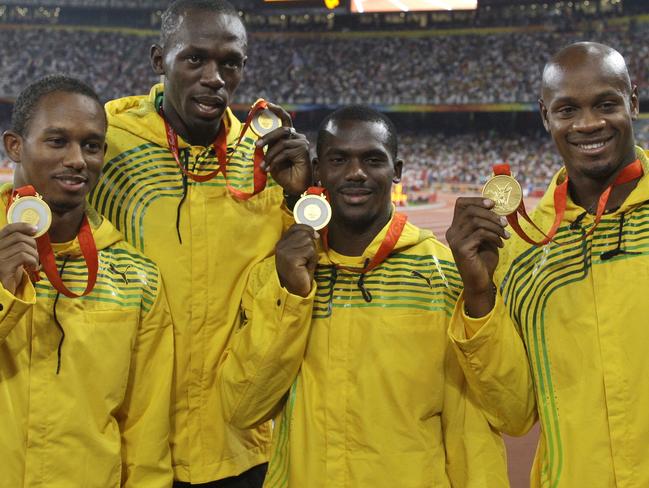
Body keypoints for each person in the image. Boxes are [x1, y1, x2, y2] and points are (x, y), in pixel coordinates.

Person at [218, 106, 515, 487]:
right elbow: (242, 408)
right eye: (339, 159)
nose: (356, 172)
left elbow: (506, 415)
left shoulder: (446, 275)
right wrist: (291, 296)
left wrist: (479, 294)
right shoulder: (278, 276)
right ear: (318, 169)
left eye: (373, 159)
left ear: (397, 171)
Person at [89, 0, 311, 486]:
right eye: (194, 59)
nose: (214, 76)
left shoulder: (267, 160)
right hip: (132, 446)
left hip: (239, 445)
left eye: (229, 62)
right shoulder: (105, 145)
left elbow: (304, 276)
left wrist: (303, 195)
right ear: (158, 60)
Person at [446, 42, 649, 487]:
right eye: (567, 109)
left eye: (606, 104)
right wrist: (480, 296)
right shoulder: (523, 252)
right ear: (545, 116)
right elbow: (514, 413)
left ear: (633, 101)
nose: (589, 123)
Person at [0, 75, 174, 487]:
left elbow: (145, 431)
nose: (78, 159)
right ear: (15, 146)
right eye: (58, 141)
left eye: (92, 145)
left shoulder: (137, 277)